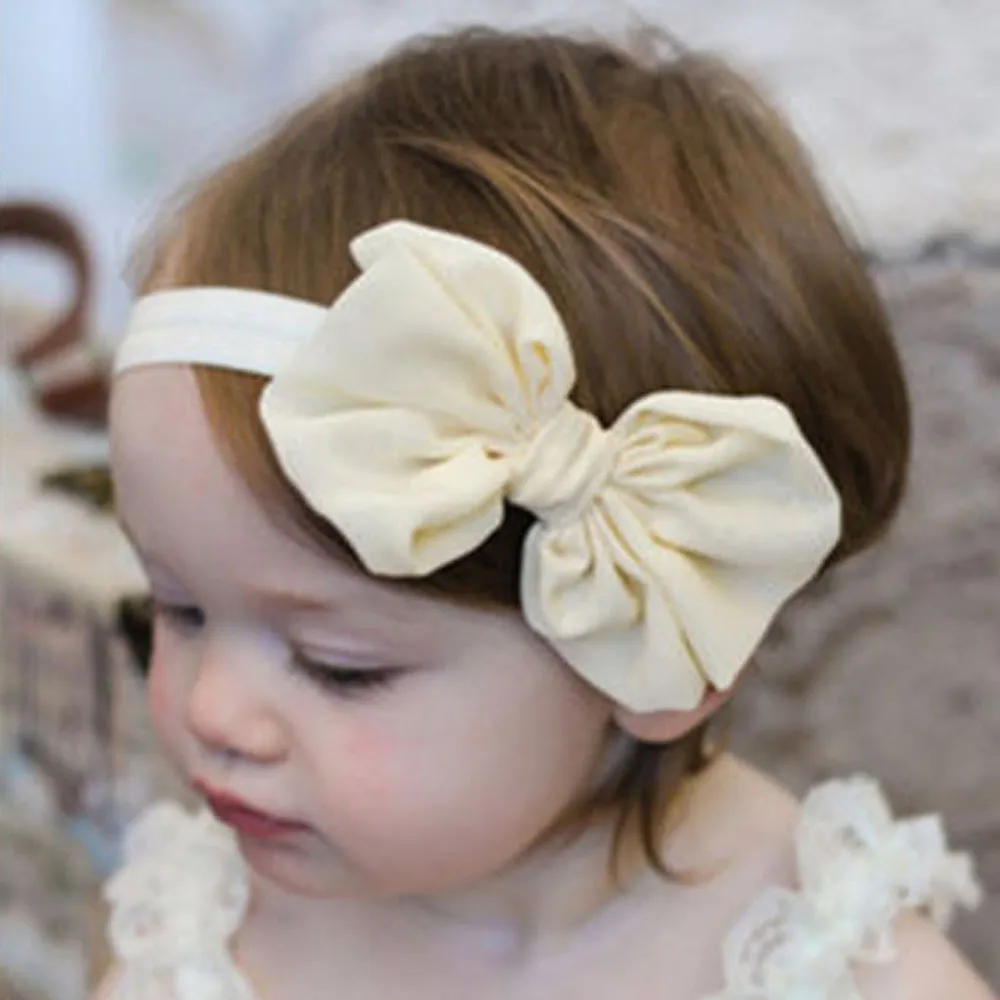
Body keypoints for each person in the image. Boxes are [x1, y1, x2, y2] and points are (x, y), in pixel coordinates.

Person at [93, 26, 994, 1000]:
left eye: (339, 665)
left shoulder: (845, 975)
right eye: (178, 607)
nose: (211, 710)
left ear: (660, 636)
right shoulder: (203, 916)